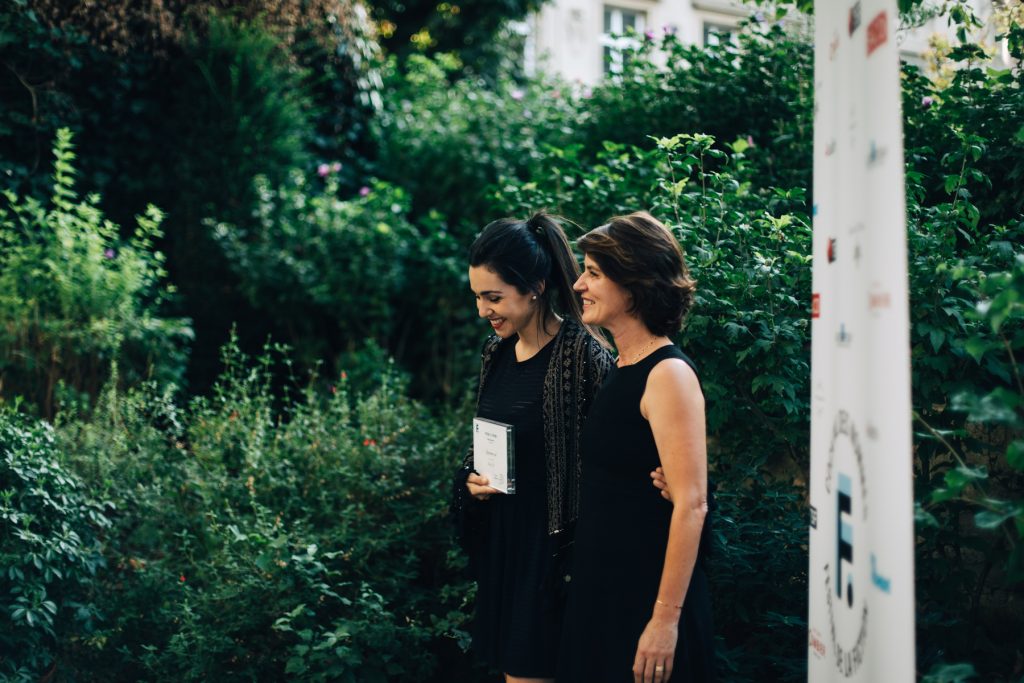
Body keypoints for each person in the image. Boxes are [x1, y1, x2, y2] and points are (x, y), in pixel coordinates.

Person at [450, 212, 615, 683]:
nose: (483, 310)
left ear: (536, 287)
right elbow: (487, 440)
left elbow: (613, 464)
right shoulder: (495, 353)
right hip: (506, 548)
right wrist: (472, 480)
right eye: (477, 297)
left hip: (555, 561)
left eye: (493, 297)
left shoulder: (584, 357)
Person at [559, 211, 715, 683]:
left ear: (633, 285)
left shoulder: (668, 374)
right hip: (604, 595)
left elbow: (692, 504)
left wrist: (664, 621)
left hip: (645, 602)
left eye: (593, 273)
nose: (579, 285)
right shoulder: (622, 367)